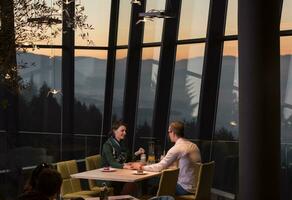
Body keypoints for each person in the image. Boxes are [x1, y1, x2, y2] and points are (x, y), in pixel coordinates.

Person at [132, 121, 201, 195]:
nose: (168, 134)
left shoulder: (177, 148)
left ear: (173, 132)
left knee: (151, 182)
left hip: (184, 188)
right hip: (196, 188)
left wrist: (141, 167)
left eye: (169, 132)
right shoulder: (194, 146)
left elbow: (160, 167)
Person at [101, 120, 144, 195]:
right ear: (115, 131)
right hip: (107, 177)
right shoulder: (107, 145)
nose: (125, 133)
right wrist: (125, 166)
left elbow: (128, 158)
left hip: (119, 174)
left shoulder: (122, 144)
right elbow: (112, 163)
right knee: (131, 182)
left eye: (125, 131)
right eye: (122, 130)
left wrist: (137, 153)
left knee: (135, 181)